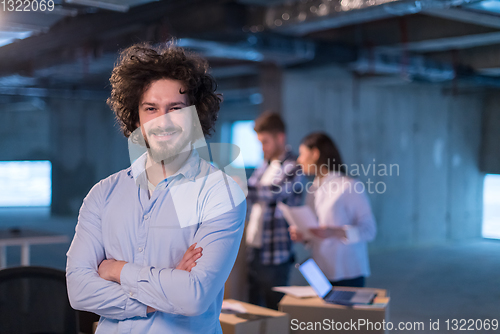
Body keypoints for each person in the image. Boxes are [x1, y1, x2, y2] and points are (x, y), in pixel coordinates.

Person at [66, 42, 246, 334]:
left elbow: (194, 296)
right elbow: (79, 290)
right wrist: (167, 287)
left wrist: (116, 271)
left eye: (176, 108)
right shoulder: (103, 194)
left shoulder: (220, 193)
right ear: (136, 118)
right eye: (151, 108)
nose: (163, 121)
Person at [291, 132, 376, 287]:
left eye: (302, 154)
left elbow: (369, 230)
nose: (299, 160)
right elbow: (316, 232)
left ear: (315, 154)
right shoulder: (313, 188)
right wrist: (303, 236)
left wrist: (334, 232)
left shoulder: (349, 185)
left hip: (347, 271)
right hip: (320, 271)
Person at [246, 112, 306, 309]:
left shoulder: (294, 166)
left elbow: (273, 192)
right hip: (254, 248)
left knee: (274, 312)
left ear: (280, 137)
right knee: (253, 309)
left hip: (275, 253)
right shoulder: (265, 164)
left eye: (265, 142)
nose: (262, 148)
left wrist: (239, 187)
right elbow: (251, 192)